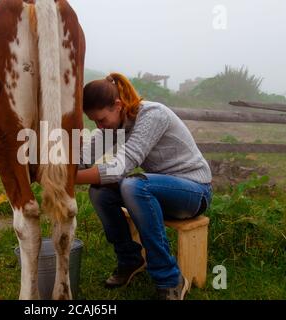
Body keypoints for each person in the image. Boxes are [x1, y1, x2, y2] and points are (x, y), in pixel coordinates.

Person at [76, 73, 213, 300]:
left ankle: (170, 279)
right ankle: (129, 260)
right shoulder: (114, 125)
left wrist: (68, 179)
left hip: (194, 191)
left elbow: (120, 167)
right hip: (158, 191)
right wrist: (53, 168)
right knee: (100, 192)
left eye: (101, 119)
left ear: (118, 106)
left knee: (132, 185)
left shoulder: (152, 115)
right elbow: (84, 159)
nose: (98, 126)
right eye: (94, 122)